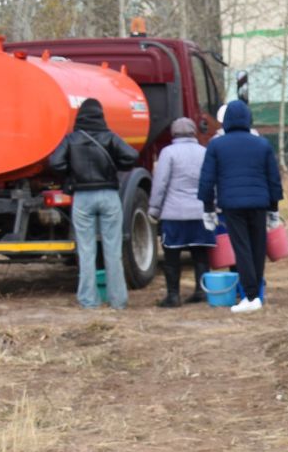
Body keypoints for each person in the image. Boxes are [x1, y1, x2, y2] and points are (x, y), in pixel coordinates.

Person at [49, 98, 138, 310]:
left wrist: (71, 173)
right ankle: (118, 301)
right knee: (113, 250)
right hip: (108, 195)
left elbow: (55, 162)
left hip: (82, 197)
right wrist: (115, 165)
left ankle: (89, 301)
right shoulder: (110, 137)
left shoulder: (71, 139)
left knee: (86, 251)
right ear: (101, 116)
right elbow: (131, 155)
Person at [196, 100, 282, 313]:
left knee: (242, 248)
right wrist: (274, 207)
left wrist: (208, 208)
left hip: (232, 205)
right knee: (258, 248)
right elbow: (273, 178)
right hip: (259, 204)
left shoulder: (217, 145)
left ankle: (250, 296)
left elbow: (207, 179)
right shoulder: (261, 144)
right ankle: (256, 294)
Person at [148, 117, 211, 307]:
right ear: (194, 132)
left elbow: (160, 184)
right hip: (199, 212)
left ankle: (173, 295)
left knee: (172, 256)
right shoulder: (204, 152)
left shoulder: (168, 153)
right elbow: (210, 182)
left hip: (174, 214)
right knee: (200, 254)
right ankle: (201, 291)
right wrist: (213, 206)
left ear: (173, 133)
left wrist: (154, 209)